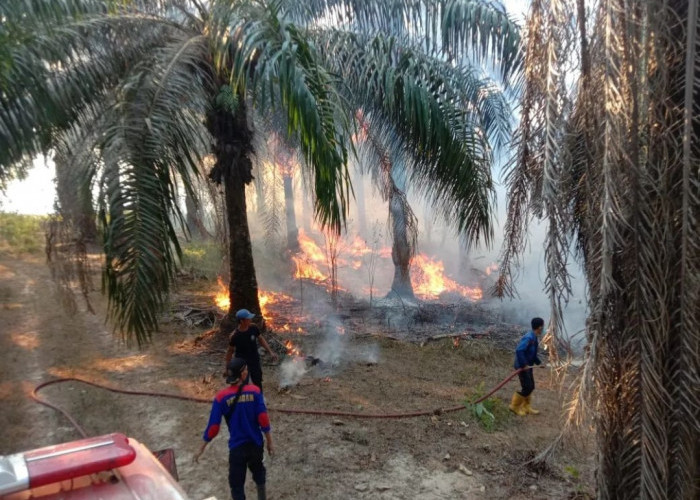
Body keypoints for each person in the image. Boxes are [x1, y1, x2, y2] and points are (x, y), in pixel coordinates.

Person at [194, 358, 274, 500]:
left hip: (237, 447)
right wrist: (269, 442)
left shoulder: (221, 397)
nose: (248, 372)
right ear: (242, 374)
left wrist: (201, 447)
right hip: (255, 444)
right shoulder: (255, 392)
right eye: (246, 370)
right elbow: (263, 420)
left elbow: (213, 427)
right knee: (259, 474)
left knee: (236, 485)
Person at [224, 309, 278, 393]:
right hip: (242, 363)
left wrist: (270, 352)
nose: (250, 320)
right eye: (248, 318)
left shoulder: (253, 328)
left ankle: (259, 398)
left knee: (257, 381)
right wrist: (227, 367)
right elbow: (230, 351)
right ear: (241, 321)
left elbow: (261, 339)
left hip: (254, 360)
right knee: (243, 384)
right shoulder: (235, 336)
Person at [510, 317, 545, 416]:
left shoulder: (534, 337)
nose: (543, 328)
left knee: (531, 386)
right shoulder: (529, 337)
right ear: (539, 327)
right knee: (527, 387)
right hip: (522, 366)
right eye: (542, 326)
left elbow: (532, 354)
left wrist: (539, 363)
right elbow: (519, 350)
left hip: (528, 366)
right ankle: (514, 406)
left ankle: (526, 407)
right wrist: (524, 364)